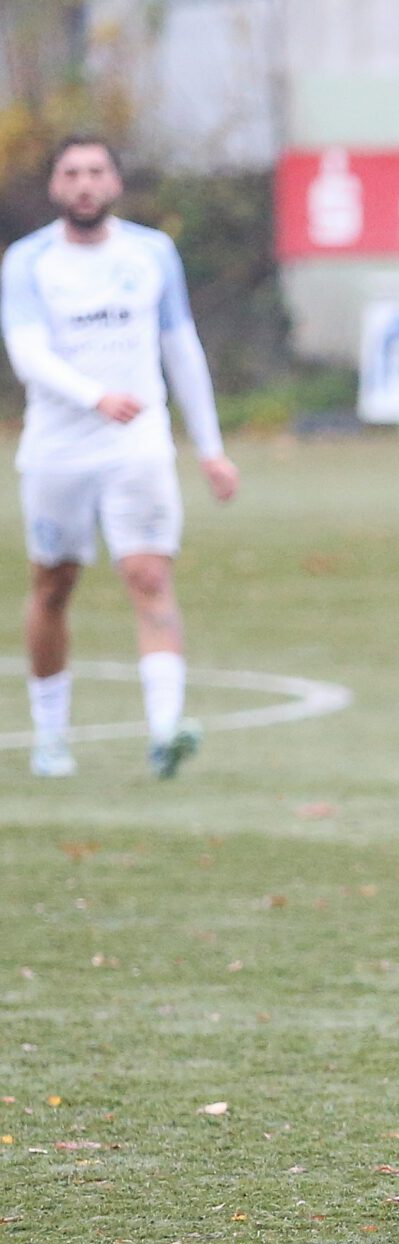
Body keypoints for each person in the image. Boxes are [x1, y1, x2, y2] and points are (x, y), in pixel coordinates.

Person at [2, 134, 239, 779]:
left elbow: (181, 348)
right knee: (53, 587)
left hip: (138, 446)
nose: (84, 183)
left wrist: (211, 450)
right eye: (71, 172)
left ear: (115, 183)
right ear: (55, 186)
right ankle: (51, 736)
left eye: (96, 171)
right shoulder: (28, 261)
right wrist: (95, 396)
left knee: (149, 575)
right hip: (57, 451)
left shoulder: (151, 252)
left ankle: (165, 732)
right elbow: (28, 354)